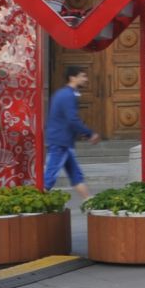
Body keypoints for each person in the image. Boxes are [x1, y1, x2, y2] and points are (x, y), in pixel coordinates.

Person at [44, 66, 102, 200]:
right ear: (73, 78)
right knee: (50, 177)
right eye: (83, 76)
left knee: (75, 174)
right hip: (60, 141)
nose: (85, 79)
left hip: (63, 140)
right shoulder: (67, 95)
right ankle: (35, 207)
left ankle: (89, 200)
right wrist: (89, 134)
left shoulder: (62, 94)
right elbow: (72, 119)